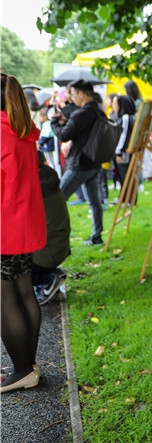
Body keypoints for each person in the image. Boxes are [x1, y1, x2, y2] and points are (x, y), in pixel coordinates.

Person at [1, 72, 46, 393]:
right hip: (23, 227)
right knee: (25, 293)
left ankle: (21, 369)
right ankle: (26, 366)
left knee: (5, 301)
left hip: (5, 228)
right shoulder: (21, 132)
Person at [49, 79, 105, 246]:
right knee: (95, 203)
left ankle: (54, 240)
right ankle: (96, 236)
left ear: (81, 94)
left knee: (56, 199)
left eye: (72, 94)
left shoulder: (82, 113)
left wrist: (53, 122)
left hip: (80, 164)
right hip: (94, 163)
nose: (71, 98)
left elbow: (64, 135)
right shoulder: (98, 110)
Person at [32, 151, 71, 305]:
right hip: (55, 247)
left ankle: (46, 278)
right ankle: (46, 276)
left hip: (47, 252)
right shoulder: (46, 180)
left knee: (11, 272)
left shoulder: (36, 187)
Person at [112, 94, 138, 200]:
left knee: (126, 175)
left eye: (115, 103)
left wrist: (119, 152)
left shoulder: (126, 118)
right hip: (122, 151)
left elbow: (123, 135)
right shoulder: (123, 117)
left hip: (124, 153)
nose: (113, 106)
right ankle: (124, 197)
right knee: (122, 176)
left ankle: (129, 198)